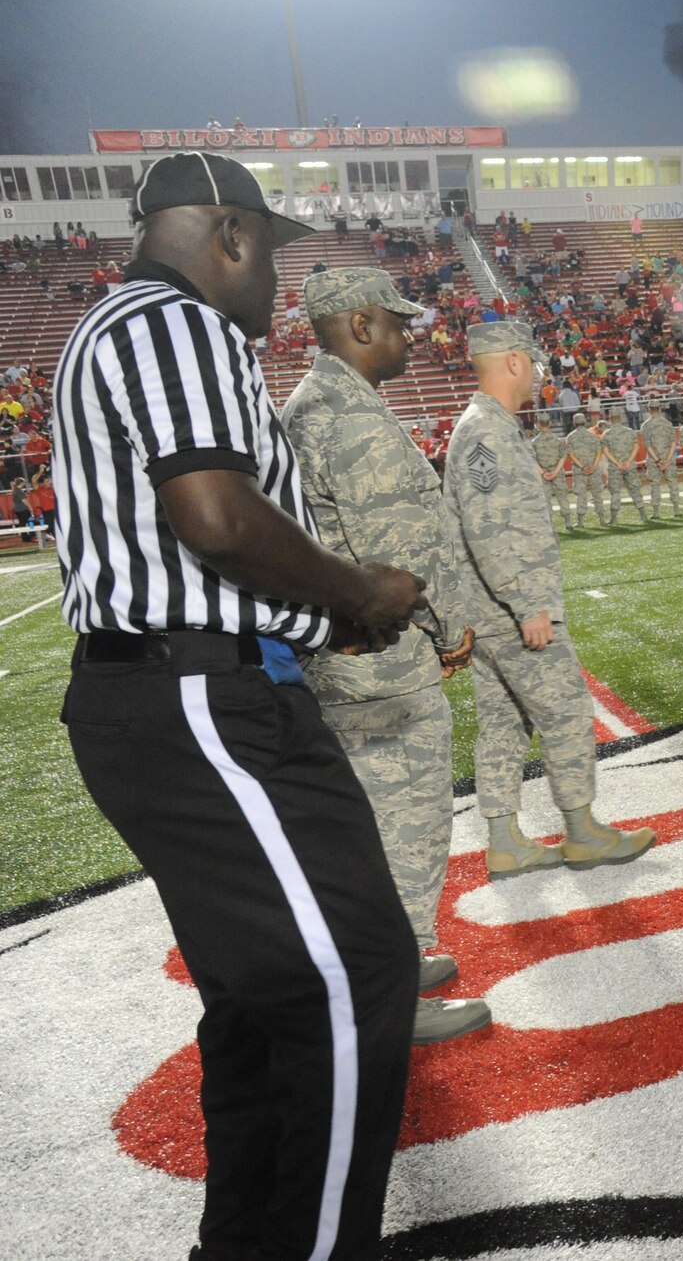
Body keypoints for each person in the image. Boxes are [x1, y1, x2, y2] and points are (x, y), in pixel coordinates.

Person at [51, 151, 427, 1258]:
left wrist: (327, 620)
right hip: (199, 695)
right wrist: (360, 589)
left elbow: (206, 546)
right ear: (229, 234)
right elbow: (214, 517)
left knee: (263, 998)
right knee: (353, 974)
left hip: (192, 681)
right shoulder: (170, 324)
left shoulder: (127, 326)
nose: (273, 286)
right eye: (271, 253)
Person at [283, 266, 487, 1045]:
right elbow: (398, 558)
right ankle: (388, 994)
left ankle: (388, 963)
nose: (409, 336)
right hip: (381, 672)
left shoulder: (319, 403)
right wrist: (450, 628)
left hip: (346, 668)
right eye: (396, 323)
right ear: (360, 326)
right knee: (400, 833)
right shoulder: (353, 419)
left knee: (372, 832)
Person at [445, 321, 656, 877]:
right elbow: (488, 527)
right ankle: (582, 832)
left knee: (504, 723)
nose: (540, 374)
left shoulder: (485, 426)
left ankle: (505, 839)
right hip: (510, 614)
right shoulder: (486, 431)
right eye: (534, 363)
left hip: (490, 613)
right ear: (513, 361)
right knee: (566, 712)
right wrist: (525, 606)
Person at [531, 412, 580, 530]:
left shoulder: (534, 442)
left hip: (543, 475)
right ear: (550, 423)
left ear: (537, 424)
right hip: (557, 473)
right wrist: (556, 471)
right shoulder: (557, 440)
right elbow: (563, 456)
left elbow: (532, 460)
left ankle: (550, 525)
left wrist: (543, 473)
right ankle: (568, 523)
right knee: (562, 497)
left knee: (545, 500)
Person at [598, 410, 645, 524]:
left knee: (615, 492)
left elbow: (605, 451)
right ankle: (643, 515)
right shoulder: (630, 432)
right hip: (630, 465)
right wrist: (629, 461)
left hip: (615, 467)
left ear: (610, 418)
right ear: (620, 418)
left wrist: (617, 463)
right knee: (635, 489)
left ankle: (614, 518)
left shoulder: (606, 434)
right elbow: (636, 447)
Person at [567, 407, 611, 525]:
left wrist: (582, 467)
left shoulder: (570, 437)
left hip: (579, 470)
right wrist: (594, 466)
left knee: (580, 495)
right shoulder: (592, 435)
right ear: (585, 422)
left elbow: (571, 454)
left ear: (574, 423)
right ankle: (602, 519)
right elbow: (599, 452)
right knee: (597, 494)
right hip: (594, 469)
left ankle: (580, 522)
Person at [639, 402, 683, 518]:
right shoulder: (668, 424)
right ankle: (676, 510)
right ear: (659, 409)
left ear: (649, 410)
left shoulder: (645, 425)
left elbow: (648, 446)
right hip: (668, 458)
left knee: (655, 485)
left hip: (653, 460)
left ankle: (656, 513)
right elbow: (673, 442)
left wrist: (658, 461)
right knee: (673, 484)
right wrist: (668, 459)